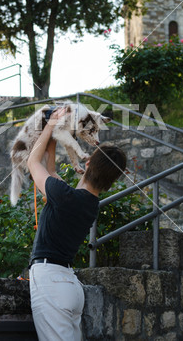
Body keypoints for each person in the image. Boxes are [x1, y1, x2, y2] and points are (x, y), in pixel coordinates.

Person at [27, 107, 127, 341]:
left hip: (52, 282)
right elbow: (50, 171)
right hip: (69, 285)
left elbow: (34, 163)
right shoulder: (88, 204)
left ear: (89, 161)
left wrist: (51, 124)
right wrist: (52, 135)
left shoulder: (66, 196)